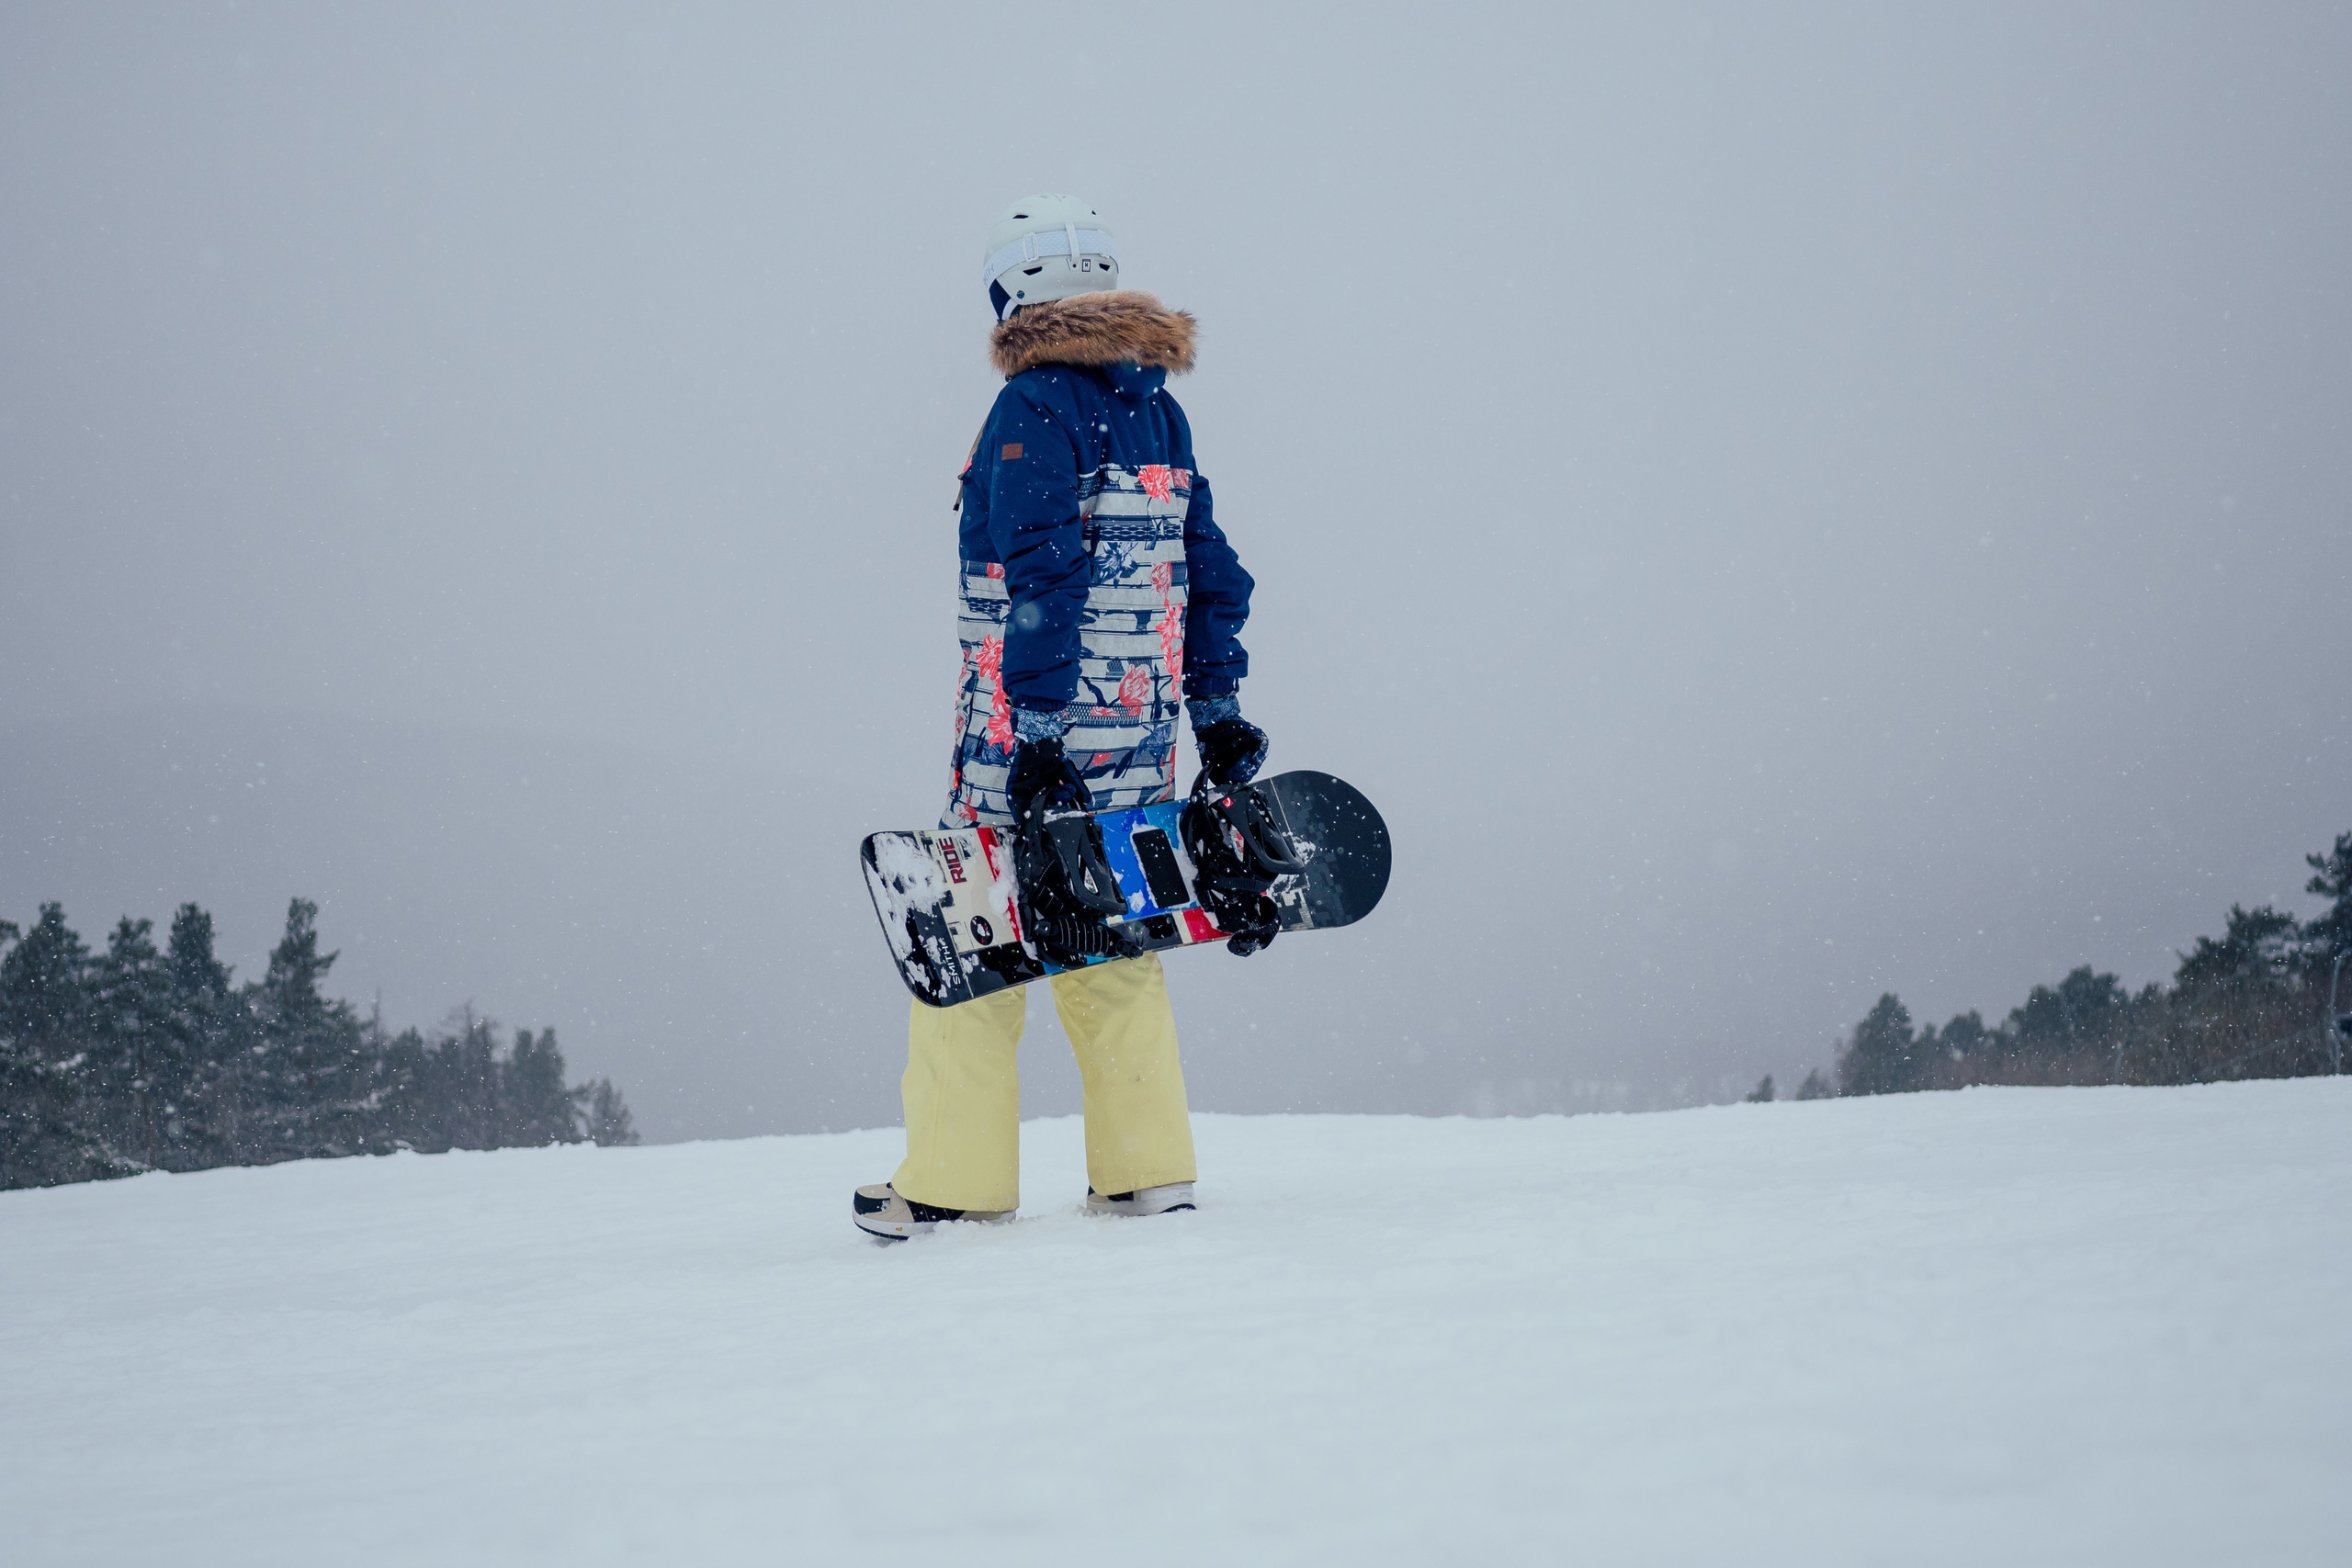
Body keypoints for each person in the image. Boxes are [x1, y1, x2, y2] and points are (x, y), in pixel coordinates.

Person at [853, 194, 1269, 1241]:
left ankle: (955, 1180)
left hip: (1026, 735)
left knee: (973, 934)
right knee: (1111, 932)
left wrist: (1037, 740)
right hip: (1140, 734)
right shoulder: (1158, 411)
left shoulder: (1030, 406)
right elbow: (1209, 573)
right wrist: (1216, 710)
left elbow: (1041, 577)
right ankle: (1147, 1172)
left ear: (1014, 291)